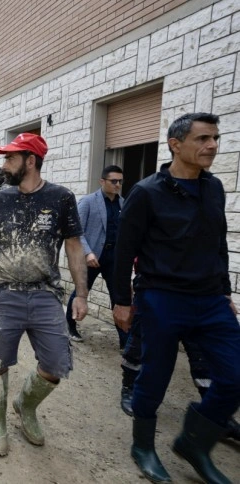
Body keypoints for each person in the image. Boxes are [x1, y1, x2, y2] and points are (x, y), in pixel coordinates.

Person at [113, 113, 240, 484]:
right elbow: (124, 251)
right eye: (202, 139)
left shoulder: (214, 188)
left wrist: (225, 292)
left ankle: (194, 443)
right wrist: (122, 301)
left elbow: (219, 242)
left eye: (215, 138)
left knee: (234, 376)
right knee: (155, 376)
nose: (212, 145)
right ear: (175, 145)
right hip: (162, 298)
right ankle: (143, 447)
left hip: (210, 300)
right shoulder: (147, 192)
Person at [0, 133, 88, 457]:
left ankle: (25, 405)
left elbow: (74, 246)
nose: (3, 165)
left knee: (56, 363)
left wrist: (82, 294)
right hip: (3, 292)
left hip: (46, 293)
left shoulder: (61, 198)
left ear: (30, 161)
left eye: (10, 158)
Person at [65, 165, 126, 345]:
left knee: (118, 296)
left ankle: (125, 338)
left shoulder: (123, 203)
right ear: (102, 181)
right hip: (92, 256)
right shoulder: (88, 202)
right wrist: (88, 253)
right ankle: (69, 325)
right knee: (81, 291)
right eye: (113, 181)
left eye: (120, 181)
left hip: (113, 257)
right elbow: (77, 232)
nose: (117, 185)